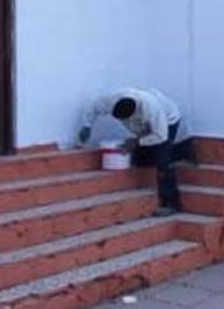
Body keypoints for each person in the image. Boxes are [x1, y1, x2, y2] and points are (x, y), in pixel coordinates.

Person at [78, 88, 195, 217]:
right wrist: (86, 126)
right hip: (145, 125)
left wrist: (136, 142)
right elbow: (94, 107)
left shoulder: (151, 108)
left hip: (168, 121)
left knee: (163, 159)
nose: (125, 123)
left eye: (127, 120)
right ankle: (175, 153)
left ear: (134, 113)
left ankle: (171, 203)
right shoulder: (111, 100)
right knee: (142, 154)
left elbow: (161, 135)